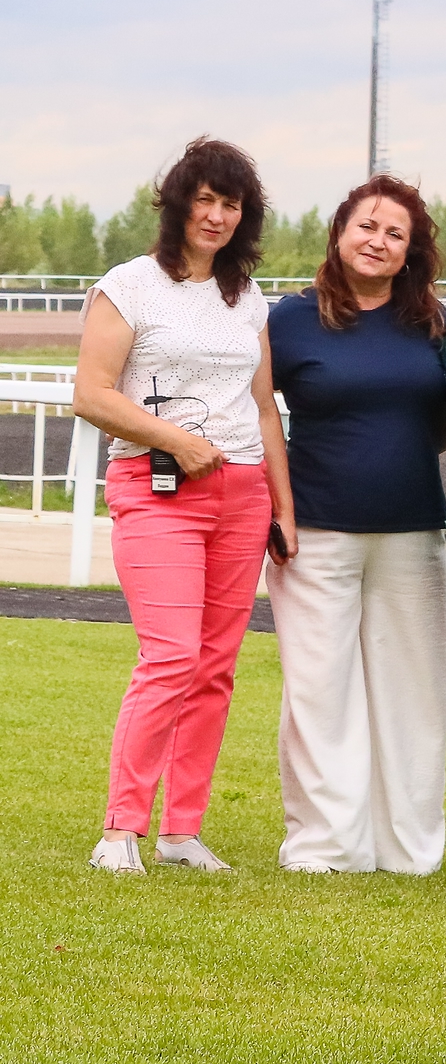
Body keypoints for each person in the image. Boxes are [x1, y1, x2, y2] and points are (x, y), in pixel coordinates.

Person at [73, 138, 291, 875]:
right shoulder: (128, 285)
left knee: (215, 666)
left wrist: (280, 504)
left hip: (242, 493)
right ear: (177, 202)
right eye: (205, 198)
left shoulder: (245, 295)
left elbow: (264, 409)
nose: (217, 214)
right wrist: (179, 441)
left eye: (231, 204)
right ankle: (120, 829)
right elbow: (92, 394)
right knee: (169, 656)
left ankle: (181, 829)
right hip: (158, 487)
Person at [267, 175, 446, 875]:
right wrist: (277, 507)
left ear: (411, 251)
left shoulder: (435, 326)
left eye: (395, 233)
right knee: (321, 689)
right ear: (340, 233)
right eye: (366, 226)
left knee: (415, 691)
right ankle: (327, 847)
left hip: (411, 533)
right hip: (313, 533)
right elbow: (256, 417)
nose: (378, 241)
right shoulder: (288, 321)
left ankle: (409, 850)